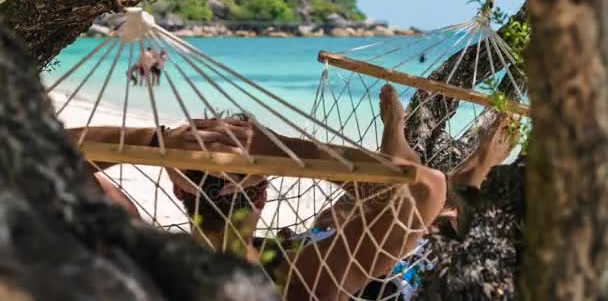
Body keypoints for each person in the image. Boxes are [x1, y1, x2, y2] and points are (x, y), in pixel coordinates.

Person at [67, 84, 518, 300]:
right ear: (263, 193)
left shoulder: (142, 255)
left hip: (289, 248)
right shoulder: (306, 279)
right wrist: (277, 147)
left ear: (174, 184)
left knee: (348, 216)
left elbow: (42, 154)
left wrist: (158, 141)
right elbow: (424, 188)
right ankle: (470, 160)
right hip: (366, 277)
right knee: (428, 207)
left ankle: (415, 143)